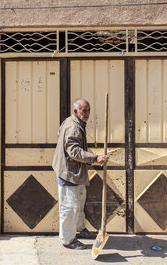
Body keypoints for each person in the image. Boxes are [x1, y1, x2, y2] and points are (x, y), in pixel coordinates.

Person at [52, 98, 109, 249]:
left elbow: (60, 135)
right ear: (76, 111)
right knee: (69, 207)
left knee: (78, 202)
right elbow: (73, 151)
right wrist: (95, 158)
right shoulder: (73, 127)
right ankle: (68, 240)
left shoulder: (73, 122)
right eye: (84, 110)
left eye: (89, 110)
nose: (87, 113)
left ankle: (79, 229)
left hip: (75, 172)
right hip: (69, 172)